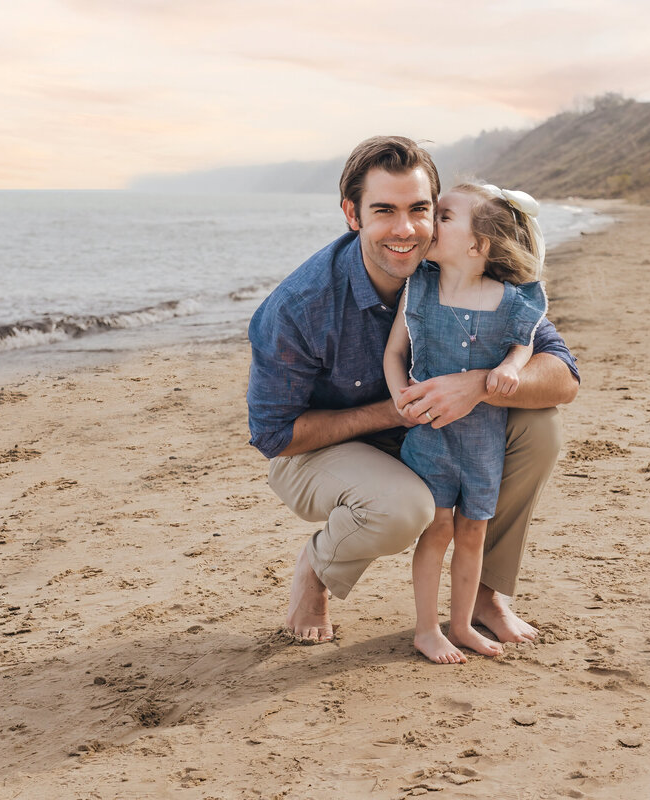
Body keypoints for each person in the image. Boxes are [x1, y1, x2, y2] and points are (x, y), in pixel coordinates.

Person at [246, 135, 579, 645]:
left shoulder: (463, 271)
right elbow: (274, 436)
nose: (404, 230)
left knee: (539, 427)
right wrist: (397, 411)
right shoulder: (299, 307)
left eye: (420, 210)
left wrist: (477, 387)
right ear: (352, 215)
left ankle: (486, 596)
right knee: (406, 510)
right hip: (319, 449)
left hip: (436, 428)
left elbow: (561, 374)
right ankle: (317, 567)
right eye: (384, 210)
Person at [383, 182, 548, 664]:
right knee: (436, 529)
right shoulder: (420, 289)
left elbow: (524, 343)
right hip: (430, 436)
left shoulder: (513, 301)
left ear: (479, 245)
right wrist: (400, 398)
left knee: (473, 531)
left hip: (482, 441)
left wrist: (511, 368)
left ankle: (462, 625)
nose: (431, 222)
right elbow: (395, 354)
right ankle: (427, 629)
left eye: (445, 216)